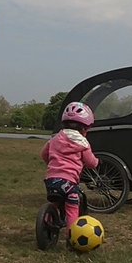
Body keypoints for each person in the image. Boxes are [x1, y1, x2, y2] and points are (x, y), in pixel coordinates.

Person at [40, 101, 99, 240]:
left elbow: (43, 154)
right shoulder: (83, 144)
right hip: (69, 183)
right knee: (72, 207)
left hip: (51, 180)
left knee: (55, 202)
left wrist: (53, 163)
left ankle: (47, 222)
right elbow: (91, 163)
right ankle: (72, 237)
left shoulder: (54, 139)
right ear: (85, 128)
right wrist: (97, 162)